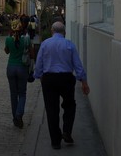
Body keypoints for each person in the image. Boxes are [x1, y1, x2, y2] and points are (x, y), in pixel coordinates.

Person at [34, 20, 90, 150]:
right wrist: (84, 82)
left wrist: (40, 76)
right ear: (64, 32)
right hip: (66, 78)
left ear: (52, 31)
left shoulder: (45, 44)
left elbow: (39, 63)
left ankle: (55, 142)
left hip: (49, 79)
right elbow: (77, 64)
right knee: (70, 105)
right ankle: (67, 131)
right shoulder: (69, 44)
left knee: (51, 110)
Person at [4, 21, 31, 128]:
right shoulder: (26, 40)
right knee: (22, 93)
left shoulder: (8, 39)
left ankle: (15, 117)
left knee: (13, 94)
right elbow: (31, 53)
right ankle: (19, 114)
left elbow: (6, 51)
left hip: (10, 68)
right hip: (22, 68)